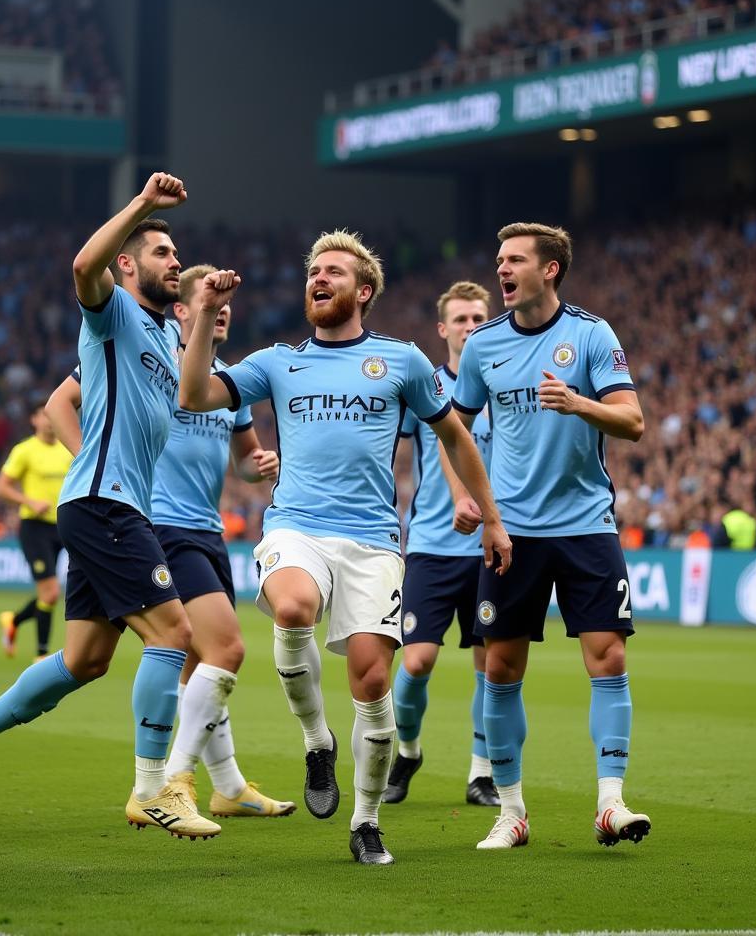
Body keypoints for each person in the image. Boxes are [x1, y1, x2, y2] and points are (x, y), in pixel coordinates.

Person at [179, 231, 512, 865]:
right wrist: (199, 317)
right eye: (313, 271)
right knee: (293, 608)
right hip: (296, 526)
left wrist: (491, 517)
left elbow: (456, 438)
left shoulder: (404, 361)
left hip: (374, 542)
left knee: (373, 682)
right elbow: (194, 394)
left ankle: (365, 821)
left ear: (363, 291)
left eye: (333, 271)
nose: (318, 278)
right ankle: (316, 741)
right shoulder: (277, 362)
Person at [0, 172, 220, 840]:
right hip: (104, 504)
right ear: (129, 263)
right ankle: (153, 790)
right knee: (175, 637)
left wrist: (203, 310)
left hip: (115, 506)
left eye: (176, 255)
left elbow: (189, 393)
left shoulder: (163, 332)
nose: (173, 261)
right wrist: (143, 204)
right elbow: (83, 265)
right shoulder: (112, 311)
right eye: (160, 253)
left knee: (85, 660)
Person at [45, 263, 295, 822]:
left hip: (207, 529)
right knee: (223, 650)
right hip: (157, 523)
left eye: (228, 305)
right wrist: (92, 459)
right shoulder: (145, 353)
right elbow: (59, 403)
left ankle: (227, 786)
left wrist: (261, 466)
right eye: (209, 301)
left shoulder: (227, 382)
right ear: (180, 309)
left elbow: (244, 464)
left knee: (195, 664)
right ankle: (169, 781)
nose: (221, 309)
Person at [447, 221, 649, 852]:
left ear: (549, 269)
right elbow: (454, 424)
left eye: (514, 261)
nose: (502, 271)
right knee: (501, 667)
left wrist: (580, 404)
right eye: (499, 260)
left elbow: (634, 421)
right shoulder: (483, 346)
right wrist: (470, 499)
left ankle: (610, 804)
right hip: (513, 533)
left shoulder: (592, 334)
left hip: (587, 524)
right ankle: (511, 812)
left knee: (608, 657)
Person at [384, 281, 501, 808]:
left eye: (479, 317)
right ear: (443, 328)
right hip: (431, 543)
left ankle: (481, 773)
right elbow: (394, 455)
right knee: (416, 663)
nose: (471, 326)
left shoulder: (505, 385)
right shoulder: (422, 384)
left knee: (490, 663)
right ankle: (407, 751)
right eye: (461, 319)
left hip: (492, 547)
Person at [0, 402, 73, 660]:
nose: (50, 421)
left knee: (49, 594)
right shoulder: (24, 450)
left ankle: (13, 621)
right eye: (44, 415)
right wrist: (29, 502)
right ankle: (42, 654)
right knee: (50, 592)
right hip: (34, 527)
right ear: (34, 419)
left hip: (64, 525)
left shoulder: (68, 447)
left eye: (53, 415)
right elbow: (1, 488)